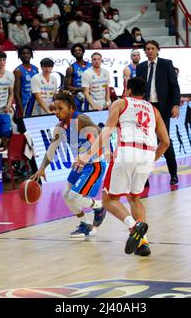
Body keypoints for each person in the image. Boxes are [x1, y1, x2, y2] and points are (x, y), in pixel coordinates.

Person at [76, 77, 170, 256]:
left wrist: (87, 155)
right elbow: (165, 142)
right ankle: (142, 243)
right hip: (148, 153)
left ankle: (134, 226)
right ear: (145, 93)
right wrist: (151, 160)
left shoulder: (120, 103)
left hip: (127, 151)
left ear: (127, 89)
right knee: (135, 198)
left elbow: (108, 130)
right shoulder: (154, 110)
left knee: (108, 200)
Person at [30, 91, 107, 238]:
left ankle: (100, 207)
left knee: (73, 196)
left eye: (60, 108)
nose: (56, 112)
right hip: (79, 165)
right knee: (66, 196)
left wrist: (86, 155)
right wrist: (41, 169)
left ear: (71, 107)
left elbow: (101, 136)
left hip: (94, 165)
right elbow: (52, 148)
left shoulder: (81, 119)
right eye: (55, 109)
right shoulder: (60, 127)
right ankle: (85, 225)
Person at [136, 40, 180, 185]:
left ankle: (173, 173)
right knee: (145, 143)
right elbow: (138, 89)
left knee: (165, 141)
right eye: (147, 49)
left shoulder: (166, 64)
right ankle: (144, 177)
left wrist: (175, 105)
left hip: (162, 108)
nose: (149, 51)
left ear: (157, 50)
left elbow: (174, 86)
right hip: (146, 108)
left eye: (152, 48)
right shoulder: (141, 67)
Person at [64, 43, 92, 111]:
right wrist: (81, 89)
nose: (77, 52)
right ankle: (72, 122)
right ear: (73, 54)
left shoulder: (91, 66)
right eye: (75, 51)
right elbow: (67, 87)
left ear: (83, 52)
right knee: (75, 118)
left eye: (79, 50)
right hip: (77, 97)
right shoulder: (71, 68)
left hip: (91, 95)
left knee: (90, 117)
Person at [14, 45, 39, 120]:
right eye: (23, 54)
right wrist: (21, 110)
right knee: (24, 131)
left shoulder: (36, 69)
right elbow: (16, 93)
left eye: (28, 53)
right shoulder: (18, 71)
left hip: (35, 105)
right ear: (20, 56)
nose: (26, 55)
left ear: (31, 55)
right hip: (24, 105)